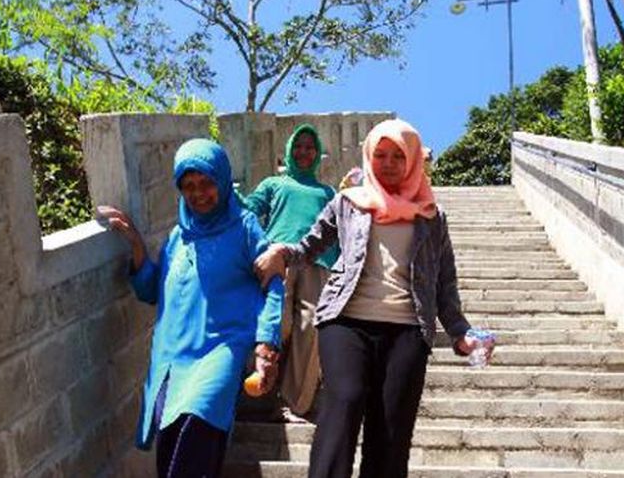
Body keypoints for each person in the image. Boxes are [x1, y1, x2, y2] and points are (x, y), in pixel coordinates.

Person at [254, 119, 492, 478]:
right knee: (345, 399)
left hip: (408, 330)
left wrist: (460, 333)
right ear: (368, 156)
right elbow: (311, 245)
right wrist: (282, 255)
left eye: (398, 155)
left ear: (413, 160)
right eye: (380, 154)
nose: (389, 163)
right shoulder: (347, 203)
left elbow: (444, 282)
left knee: (391, 424)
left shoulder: (431, 216)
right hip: (345, 321)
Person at [98, 139, 283, 478]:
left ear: (223, 180)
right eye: (188, 186)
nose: (199, 194)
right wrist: (138, 246)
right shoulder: (176, 238)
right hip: (172, 357)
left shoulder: (244, 227)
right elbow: (151, 291)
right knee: (171, 446)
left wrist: (266, 344)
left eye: (207, 183)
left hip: (221, 349)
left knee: (198, 423)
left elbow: (273, 284)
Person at [240, 123, 338, 422]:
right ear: (288, 151)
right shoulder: (274, 184)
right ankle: (260, 394)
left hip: (318, 264)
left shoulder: (328, 192)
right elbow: (249, 209)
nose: (304, 152)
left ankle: (295, 405)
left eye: (310, 147)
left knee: (310, 329)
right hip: (277, 258)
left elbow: (340, 230)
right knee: (276, 324)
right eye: (299, 146)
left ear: (318, 153)